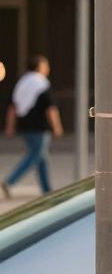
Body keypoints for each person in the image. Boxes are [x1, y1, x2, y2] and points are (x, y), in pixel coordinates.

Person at [3, 56, 63, 199]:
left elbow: (13, 107)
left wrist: (10, 126)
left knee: (41, 156)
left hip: (24, 126)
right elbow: (51, 108)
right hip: (39, 127)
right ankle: (9, 181)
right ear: (40, 67)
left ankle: (47, 190)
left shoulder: (22, 82)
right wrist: (57, 126)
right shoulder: (41, 83)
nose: (48, 69)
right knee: (35, 155)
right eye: (46, 65)